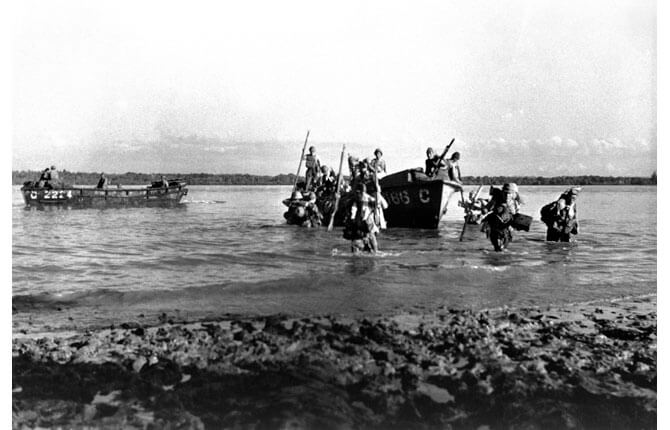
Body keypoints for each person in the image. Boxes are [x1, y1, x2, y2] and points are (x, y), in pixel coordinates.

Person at [343, 183, 387, 254]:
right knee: (356, 253)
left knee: (374, 252)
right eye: (356, 193)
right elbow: (349, 212)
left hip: (368, 231)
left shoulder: (370, 200)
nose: (357, 194)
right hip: (357, 232)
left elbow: (384, 206)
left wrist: (378, 194)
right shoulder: (352, 201)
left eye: (358, 192)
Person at [482, 183, 524, 251]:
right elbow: (488, 207)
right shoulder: (497, 197)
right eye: (505, 193)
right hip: (495, 223)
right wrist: (484, 210)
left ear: (514, 194)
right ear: (502, 192)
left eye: (509, 193)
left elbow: (516, 213)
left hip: (507, 224)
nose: (507, 195)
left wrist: (514, 225)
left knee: (504, 244)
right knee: (496, 242)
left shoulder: (516, 201)